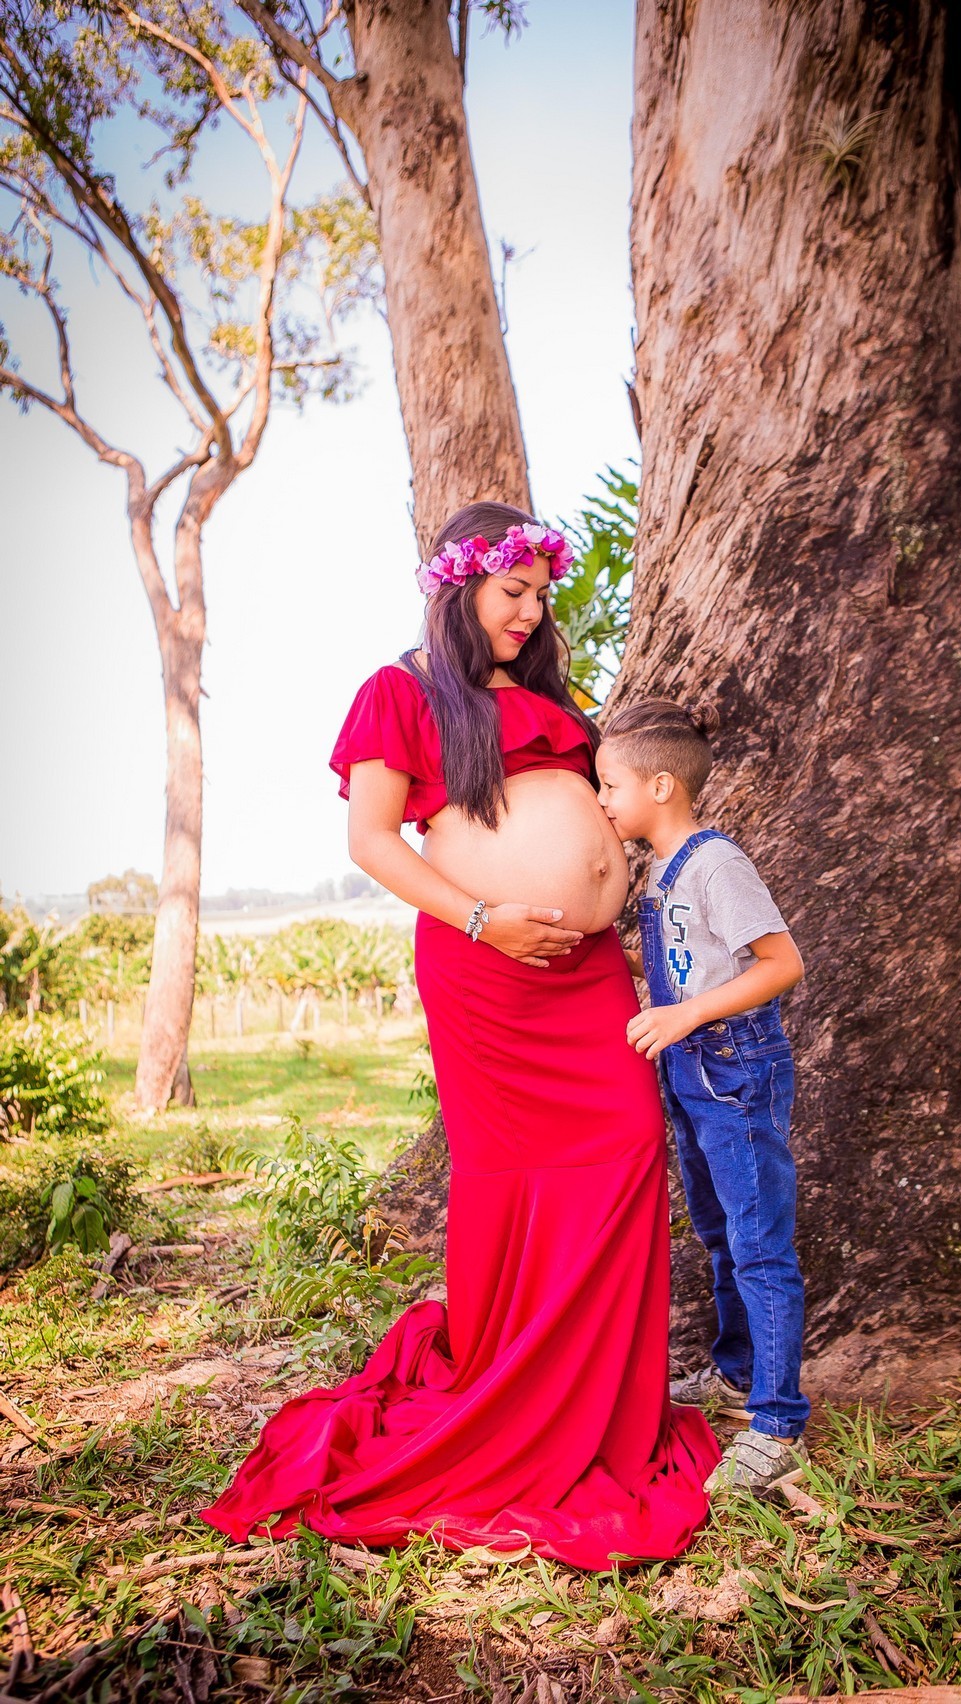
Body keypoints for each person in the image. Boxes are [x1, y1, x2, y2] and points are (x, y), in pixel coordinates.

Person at [199, 503, 719, 1569]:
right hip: (487, 975)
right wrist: (486, 916)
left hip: (584, 975)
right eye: (511, 591)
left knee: (627, 1148)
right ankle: (509, 1383)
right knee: (508, 1176)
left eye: (540, 595)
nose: (529, 612)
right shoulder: (401, 691)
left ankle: (601, 1403)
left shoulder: (553, 704)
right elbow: (370, 839)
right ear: (459, 587)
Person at [595, 698, 810, 1493]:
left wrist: (685, 1014)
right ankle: (737, 1370)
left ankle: (778, 1424)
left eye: (609, 785)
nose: (601, 800)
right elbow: (687, 956)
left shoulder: (717, 864)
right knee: (720, 1233)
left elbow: (782, 963)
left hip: (733, 1067)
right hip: (691, 1070)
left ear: (660, 787)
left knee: (759, 1244)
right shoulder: (662, 867)